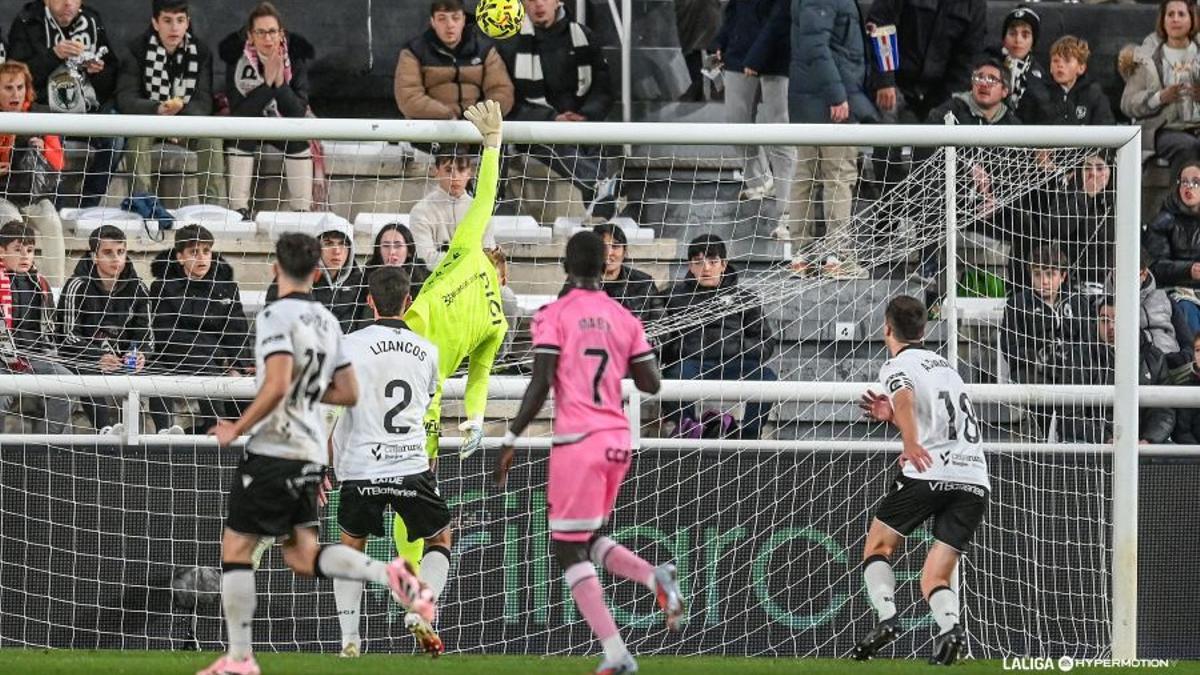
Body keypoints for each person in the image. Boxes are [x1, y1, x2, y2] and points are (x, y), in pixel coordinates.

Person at [199, 233, 432, 675]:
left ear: (275, 268)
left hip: (274, 445)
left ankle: (240, 658)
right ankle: (389, 574)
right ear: (317, 273)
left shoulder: (275, 314)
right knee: (302, 554)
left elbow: (277, 383)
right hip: (309, 448)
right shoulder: (328, 321)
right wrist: (307, 394)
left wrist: (237, 427)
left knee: (236, 546)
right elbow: (348, 392)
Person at [492, 230, 684, 675]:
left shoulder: (554, 314)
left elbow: (540, 383)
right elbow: (652, 383)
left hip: (578, 441)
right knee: (587, 538)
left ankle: (617, 653)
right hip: (618, 441)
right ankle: (653, 577)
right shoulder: (624, 317)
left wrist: (511, 437)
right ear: (604, 267)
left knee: (565, 546)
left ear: (564, 266)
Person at [391, 100, 509, 569]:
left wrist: (476, 419)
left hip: (425, 388)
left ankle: (412, 580)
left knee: (417, 485)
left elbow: (479, 376)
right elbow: (486, 196)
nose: (496, 260)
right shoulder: (466, 249)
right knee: (407, 483)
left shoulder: (498, 322)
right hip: (400, 351)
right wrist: (493, 144)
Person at [853, 294, 989, 666]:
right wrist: (892, 419)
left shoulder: (897, 364)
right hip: (973, 477)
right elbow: (934, 418)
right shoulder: (948, 367)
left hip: (929, 470)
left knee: (878, 546)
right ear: (924, 330)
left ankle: (887, 617)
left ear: (886, 328)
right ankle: (951, 628)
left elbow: (905, 398)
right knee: (935, 576)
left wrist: (909, 441)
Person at [330, 266, 451, 659]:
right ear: (408, 301)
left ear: (370, 301)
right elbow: (426, 402)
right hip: (410, 465)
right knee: (440, 538)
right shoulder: (428, 350)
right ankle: (421, 607)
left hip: (361, 465)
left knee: (351, 548)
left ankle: (350, 640)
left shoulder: (348, 345)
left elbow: (331, 405)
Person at [497, 0, 619, 218]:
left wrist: (586, 115)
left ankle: (600, 212)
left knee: (596, 141)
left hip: (581, 120)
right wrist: (552, 118)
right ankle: (600, 187)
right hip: (536, 125)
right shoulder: (510, 43)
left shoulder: (583, 36)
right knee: (555, 143)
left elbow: (603, 88)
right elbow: (509, 101)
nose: (538, 5)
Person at [786, 0, 878, 279]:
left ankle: (801, 257)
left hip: (809, 100)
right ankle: (836, 258)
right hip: (832, 102)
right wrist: (837, 94)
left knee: (806, 175)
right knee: (838, 176)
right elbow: (815, 45)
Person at [662, 234, 778, 440]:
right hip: (692, 364)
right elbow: (664, 341)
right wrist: (688, 348)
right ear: (690, 266)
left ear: (723, 265)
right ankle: (689, 433)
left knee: (767, 378)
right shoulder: (672, 297)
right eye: (699, 262)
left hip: (735, 363)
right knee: (673, 377)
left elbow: (765, 342)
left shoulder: (745, 298)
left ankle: (750, 437)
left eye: (713, 262)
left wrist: (733, 347)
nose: (706, 268)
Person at [8, 0, 121, 208]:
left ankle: (88, 206)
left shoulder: (91, 21)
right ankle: (56, 208)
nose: (68, 3)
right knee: (50, 140)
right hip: (47, 112)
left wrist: (97, 72)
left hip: (87, 111)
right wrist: (54, 55)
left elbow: (112, 78)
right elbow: (15, 76)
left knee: (116, 137)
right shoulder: (27, 21)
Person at [116, 0, 225, 205]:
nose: (174, 28)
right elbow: (126, 98)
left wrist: (178, 117)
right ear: (155, 23)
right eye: (167, 21)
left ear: (187, 23)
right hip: (150, 121)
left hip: (185, 123)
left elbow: (204, 102)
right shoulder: (136, 50)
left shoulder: (201, 52)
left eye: (180, 20)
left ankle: (213, 207)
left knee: (212, 137)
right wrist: (157, 109)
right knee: (138, 137)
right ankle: (142, 203)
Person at [148, 225, 251, 434]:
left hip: (219, 359)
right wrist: (218, 357)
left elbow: (237, 331)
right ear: (180, 257)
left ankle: (238, 436)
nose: (202, 257)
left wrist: (237, 364)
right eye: (194, 252)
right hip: (178, 356)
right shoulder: (163, 287)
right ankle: (216, 430)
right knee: (207, 369)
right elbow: (167, 334)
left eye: (206, 251)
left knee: (249, 380)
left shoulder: (227, 288)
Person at [219, 1, 315, 218]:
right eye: (260, 33)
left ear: (281, 34)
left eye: (272, 32)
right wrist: (267, 85)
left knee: (299, 141)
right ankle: (238, 211)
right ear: (250, 36)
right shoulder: (237, 60)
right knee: (240, 137)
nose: (267, 38)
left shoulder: (295, 59)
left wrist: (279, 84)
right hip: (249, 125)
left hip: (282, 124)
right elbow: (240, 114)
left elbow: (297, 113)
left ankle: (302, 212)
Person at [57, 225, 152, 433]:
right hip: (83, 358)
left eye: (121, 252)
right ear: (94, 256)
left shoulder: (138, 287)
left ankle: (151, 436)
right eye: (108, 252)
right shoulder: (77, 285)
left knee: (148, 374)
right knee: (89, 376)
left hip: (121, 359)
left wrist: (140, 354)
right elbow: (68, 337)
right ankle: (106, 431)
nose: (116, 258)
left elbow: (146, 335)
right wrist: (98, 356)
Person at [999, 245, 1091, 441]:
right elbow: (1010, 347)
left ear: (1063, 276)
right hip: (1034, 371)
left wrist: (1067, 358)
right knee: (1038, 387)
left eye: (1051, 274)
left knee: (1078, 377)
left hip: (1070, 369)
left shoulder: (1078, 303)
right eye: (1038, 274)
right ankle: (1040, 435)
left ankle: (1071, 435)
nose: (1044, 281)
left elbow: (1088, 342)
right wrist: (1041, 359)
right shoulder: (1017, 304)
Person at [1061, 298, 1176, 444]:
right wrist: (1105, 439)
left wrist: (1148, 440)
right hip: (1094, 446)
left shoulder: (1154, 358)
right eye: (1104, 320)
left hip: (1142, 444)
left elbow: (1164, 411)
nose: (1111, 327)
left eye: (1117, 320)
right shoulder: (1079, 356)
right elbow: (1070, 416)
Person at [715, 0, 794, 201]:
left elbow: (781, 16)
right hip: (739, 53)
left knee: (780, 130)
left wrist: (757, 55)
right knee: (736, 123)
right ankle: (761, 183)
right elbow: (734, 9)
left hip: (777, 55)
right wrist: (722, 40)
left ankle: (787, 205)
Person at [0, 220, 73, 434]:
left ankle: (45, 446)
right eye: (18, 250)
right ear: (2, 251)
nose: (25, 256)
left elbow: (49, 329)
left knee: (69, 385)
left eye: (30, 250)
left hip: (34, 359)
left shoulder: (40, 284)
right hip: (2, 362)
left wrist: (48, 355)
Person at [0, 59, 66, 286]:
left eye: (20, 87)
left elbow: (59, 163)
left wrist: (44, 149)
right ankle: (16, 289)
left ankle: (54, 292)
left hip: (34, 195)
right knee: (15, 227)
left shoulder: (40, 115)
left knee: (52, 222)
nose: (15, 94)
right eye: (8, 88)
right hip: (2, 195)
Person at [866, 0, 986, 124]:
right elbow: (880, 23)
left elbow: (968, 59)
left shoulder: (974, 5)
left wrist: (944, 103)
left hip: (939, 94)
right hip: (893, 84)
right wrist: (885, 81)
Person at [394, 0, 513, 120]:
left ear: (464, 20)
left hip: (477, 124)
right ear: (432, 22)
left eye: (456, 18)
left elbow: (502, 91)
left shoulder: (484, 50)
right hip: (431, 125)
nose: (450, 25)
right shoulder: (413, 51)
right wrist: (447, 116)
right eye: (442, 19)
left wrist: (479, 116)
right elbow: (409, 98)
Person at [1119, 0, 1200, 165]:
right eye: (1170, 14)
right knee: (1188, 147)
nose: (1175, 19)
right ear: (1162, 21)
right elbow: (1127, 104)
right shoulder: (1146, 57)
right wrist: (1159, 97)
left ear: (1192, 19)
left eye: (1181, 14)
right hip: (1162, 130)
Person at [266, 225, 368, 335]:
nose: (337, 251)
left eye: (342, 244)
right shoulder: (293, 278)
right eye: (328, 244)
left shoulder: (360, 282)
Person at [409, 153, 497, 267]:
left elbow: (489, 255)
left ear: (469, 173)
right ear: (436, 171)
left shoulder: (480, 210)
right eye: (448, 170)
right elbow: (426, 259)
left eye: (461, 169)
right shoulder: (421, 211)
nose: (455, 177)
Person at [1144, 160, 1200, 338]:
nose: (1189, 187)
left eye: (1196, 182)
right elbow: (1156, 267)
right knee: (1186, 309)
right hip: (1177, 291)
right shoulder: (1163, 221)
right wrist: (1189, 270)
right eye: (1184, 182)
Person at [1019, 36, 1114, 126]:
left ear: (1081, 68)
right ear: (1050, 67)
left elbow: (1106, 128)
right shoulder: (1036, 93)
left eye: (1067, 61)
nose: (1060, 65)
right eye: (1055, 61)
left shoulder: (1093, 95)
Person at [593, 222, 662, 323]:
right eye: (602, 247)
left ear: (624, 251)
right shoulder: (579, 284)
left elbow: (661, 324)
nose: (608, 253)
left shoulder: (644, 283)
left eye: (615, 246)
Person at [927, 57, 1020, 126]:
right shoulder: (949, 112)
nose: (983, 84)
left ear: (1004, 91)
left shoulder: (1013, 124)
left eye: (992, 80)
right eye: (979, 78)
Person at [991, 5, 1045, 115]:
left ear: (1033, 42)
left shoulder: (1041, 76)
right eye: (1012, 33)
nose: (1018, 40)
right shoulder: (988, 67)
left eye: (1025, 35)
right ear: (1004, 39)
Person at [364, 222, 431, 300]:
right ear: (379, 250)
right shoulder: (365, 279)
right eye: (386, 246)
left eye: (398, 246)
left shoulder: (426, 280)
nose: (391, 252)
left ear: (409, 251)